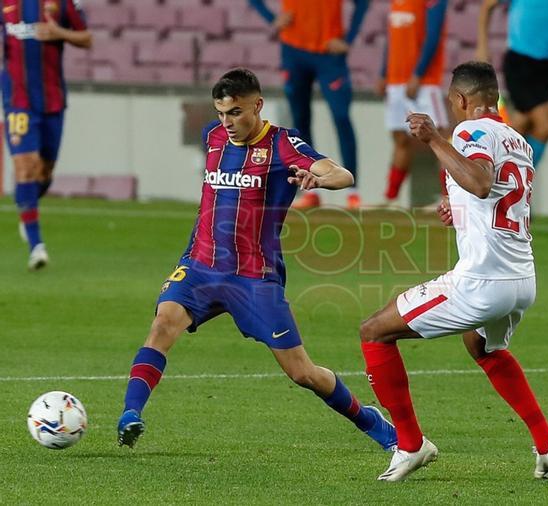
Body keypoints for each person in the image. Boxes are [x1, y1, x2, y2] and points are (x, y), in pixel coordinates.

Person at [116, 68, 397, 454]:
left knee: (302, 373)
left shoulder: (284, 144)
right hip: (200, 264)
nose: (227, 122)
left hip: (253, 277)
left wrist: (320, 179)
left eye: (235, 112)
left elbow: (341, 174)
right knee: (163, 324)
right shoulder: (213, 137)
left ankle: (370, 420)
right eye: (221, 113)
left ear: (258, 105)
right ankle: (131, 414)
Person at [359, 62, 548, 482]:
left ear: (460, 100)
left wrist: (435, 137)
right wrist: (457, 207)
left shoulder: (467, 131)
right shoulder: (517, 139)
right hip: (521, 279)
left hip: (482, 281)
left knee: (374, 331)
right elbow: (490, 194)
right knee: (483, 347)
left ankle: (411, 444)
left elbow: (479, 181)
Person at [248, 0, 368, 209]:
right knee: (300, 120)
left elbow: (363, 3)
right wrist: (272, 19)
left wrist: (348, 39)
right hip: (294, 50)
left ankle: (352, 191)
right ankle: (309, 189)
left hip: (330, 53)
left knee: (341, 117)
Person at [1, 0, 92, 270]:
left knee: (44, 173)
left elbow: (87, 38)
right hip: (18, 102)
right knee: (24, 168)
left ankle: (26, 208)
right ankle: (36, 246)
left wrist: (59, 33)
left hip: (53, 102)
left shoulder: (62, 3)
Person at [476, 0, 548, 167]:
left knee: (522, 124)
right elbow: (488, 6)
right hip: (521, 62)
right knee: (547, 123)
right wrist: (482, 46)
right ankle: (514, 180)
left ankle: (485, 167)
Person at [377, 0, 451, 205]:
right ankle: (391, 199)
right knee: (400, 139)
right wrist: (384, 72)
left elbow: (433, 35)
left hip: (424, 82)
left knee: (441, 138)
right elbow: (392, 38)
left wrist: (418, 74)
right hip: (396, 80)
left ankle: (449, 197)